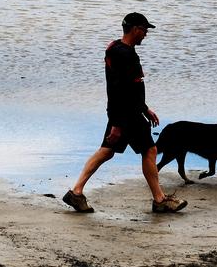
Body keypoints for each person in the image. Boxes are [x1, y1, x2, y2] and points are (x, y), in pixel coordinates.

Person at [63, 12, 188, 213]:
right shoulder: (126, 55)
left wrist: (144, 108)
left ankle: (76, 193)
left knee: (107, 151)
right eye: (145, 30)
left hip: (123, 112)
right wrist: (118, 124)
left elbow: (126, 89)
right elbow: (120, 91)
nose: (146, 34)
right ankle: (159, 199)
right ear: (136, 29)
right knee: (149, 150)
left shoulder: (115, 48)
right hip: (126, 115)